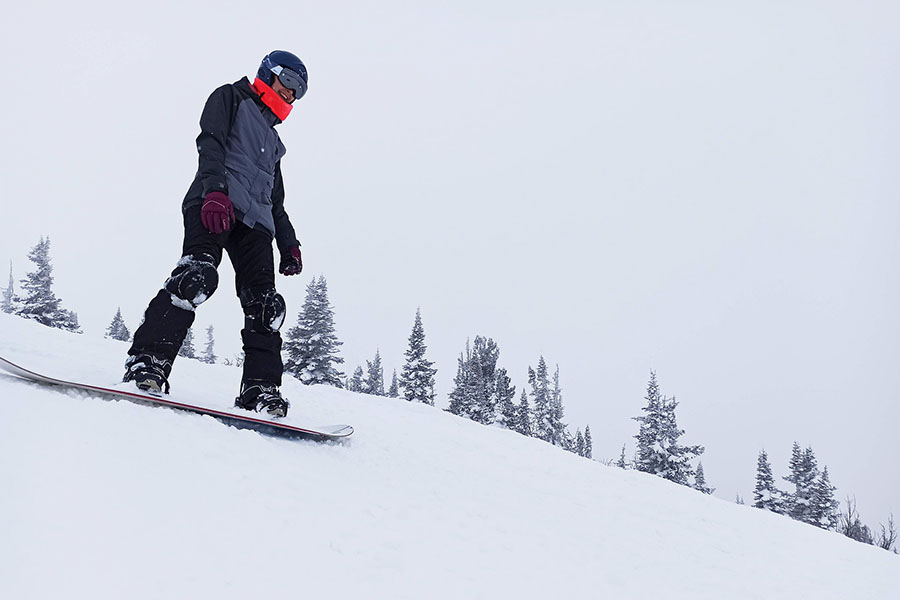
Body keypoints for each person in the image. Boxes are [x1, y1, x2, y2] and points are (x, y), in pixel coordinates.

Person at [124, 51, 308, 418]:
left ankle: (260, 388)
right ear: (268, 75)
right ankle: (148, 363)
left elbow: (276, 200)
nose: (290, 95)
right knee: (196, 277)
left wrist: (288, 242)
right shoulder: (231, 97)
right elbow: (210, 143)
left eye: (298, 91)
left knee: (266, 307)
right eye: (288, 83)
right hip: (216, 202)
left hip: (256, 225)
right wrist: (214, 191)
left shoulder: (274, 143)